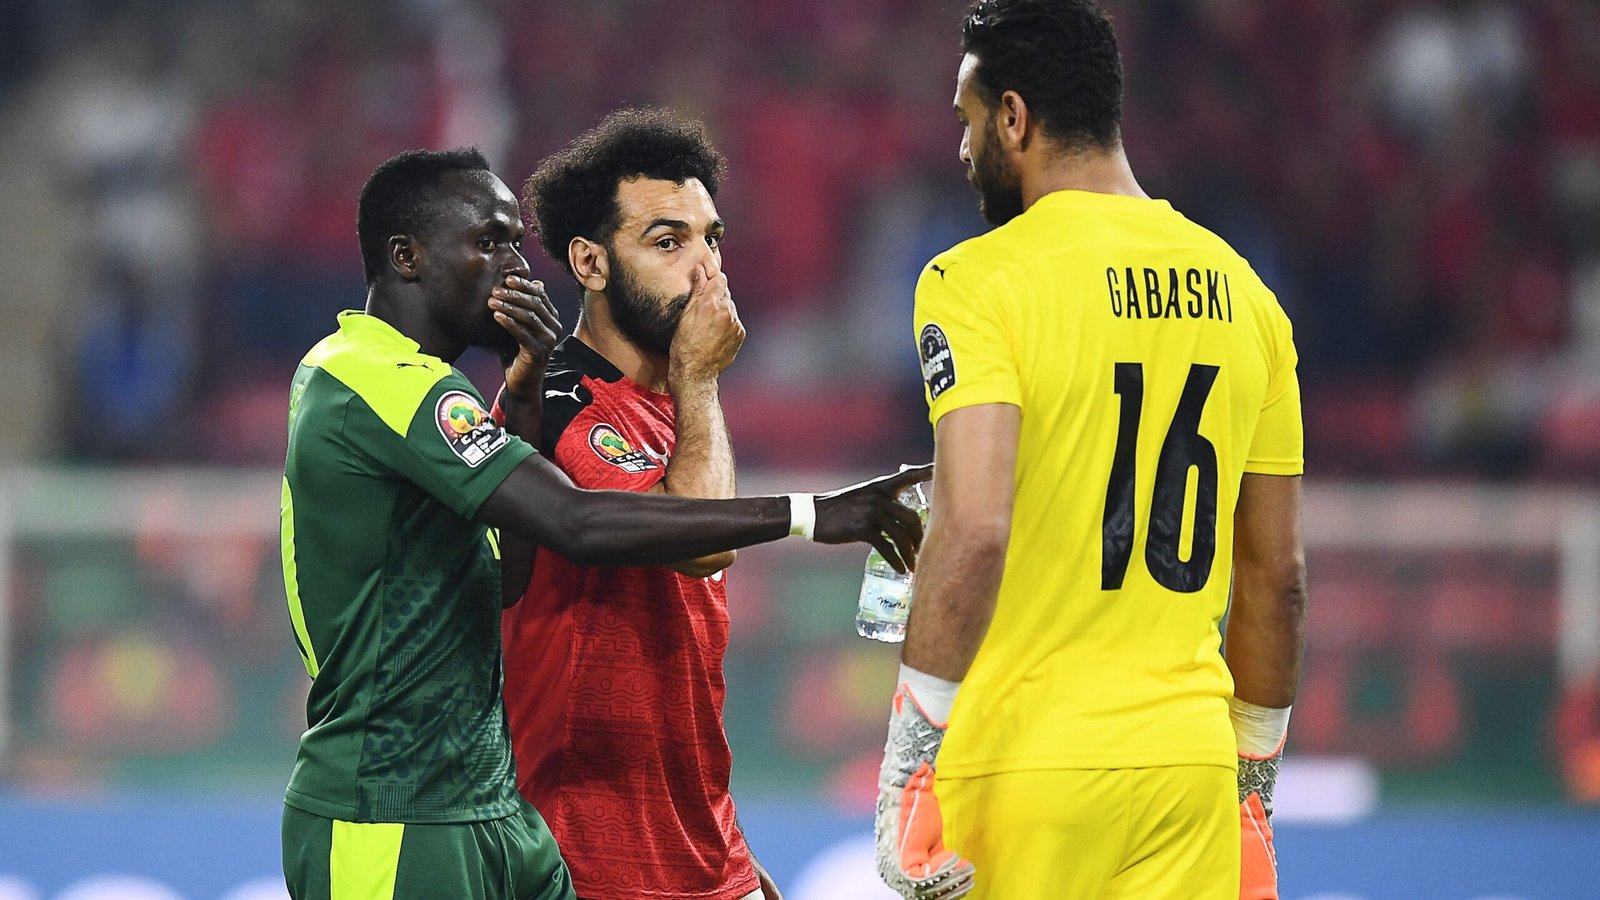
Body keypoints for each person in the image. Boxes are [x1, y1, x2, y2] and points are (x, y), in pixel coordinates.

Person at [278, 147, 927, 900]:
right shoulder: (381, 380)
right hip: (396, 808)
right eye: (488, 243)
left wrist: (725, 858)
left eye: (713, 239)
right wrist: (815, 512)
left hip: (502, 813)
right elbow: (602, 524)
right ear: (407, 256)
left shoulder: (474, 394)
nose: (513, 269)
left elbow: (509, 578)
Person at [872, 2, 1308, 899]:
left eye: (965, 119)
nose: (960, 150)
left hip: (1024, 767)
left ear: (1014, 118)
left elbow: (976, 530)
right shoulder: (1249, 296)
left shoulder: (975, 283)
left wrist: (910, 765)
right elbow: (1277, 579)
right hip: (1188, 773)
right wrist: (1252, 792)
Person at [494, 108, 777, 900]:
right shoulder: (550, 398)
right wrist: (701, 378)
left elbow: (681, 674)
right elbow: (701, 541)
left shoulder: (676, 411)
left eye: (711, 239)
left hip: (704, 858)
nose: (706, 273)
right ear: (589, 261)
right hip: (590, 861)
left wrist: (734, 857)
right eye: (667, 243)